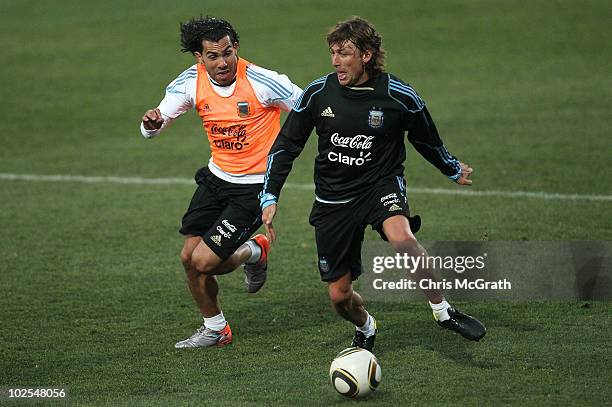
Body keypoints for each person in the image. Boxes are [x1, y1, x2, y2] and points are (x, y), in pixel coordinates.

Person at [260, 17, 486, 351]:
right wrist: (270, 195)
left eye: (345, 53)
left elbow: (426, 139)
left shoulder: (399, 96)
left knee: (402, 238)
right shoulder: (318, 94)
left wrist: (452, 168)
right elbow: (286, 146)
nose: (336, 61)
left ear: (366, 55)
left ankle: (442, 311)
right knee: (339, 296)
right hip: (333, 199)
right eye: (333, 53)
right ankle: (366, 325)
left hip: (380, 186)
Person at [140, 16, 302, 348]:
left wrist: (289, 151)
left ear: (236, 48)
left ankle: (253, 250)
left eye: (227, 53)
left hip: (254, 187)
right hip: (216, 178)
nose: (223, 62)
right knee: (188, 258)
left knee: (204, 261)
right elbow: (153, 126)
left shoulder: (263, 81)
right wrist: (151, 124)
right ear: (200, 57)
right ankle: (216, 328)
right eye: (213, 56)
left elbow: (308, 108)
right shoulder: (190, 81)